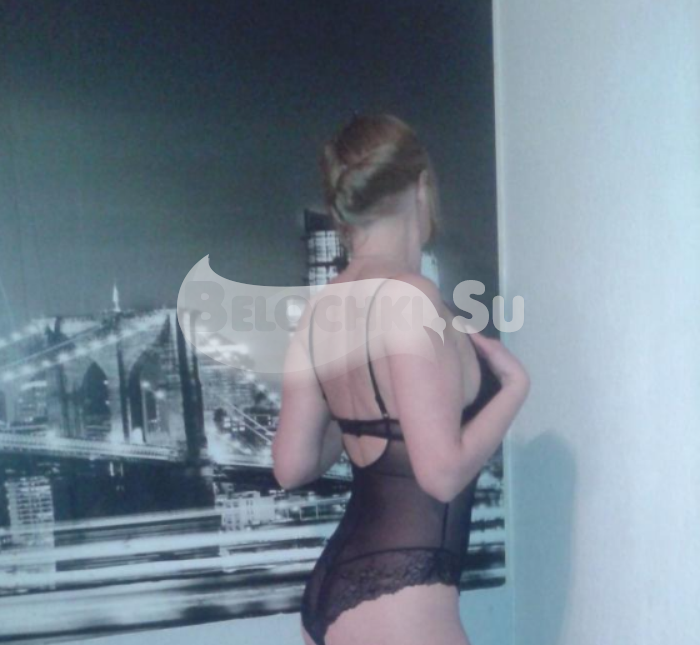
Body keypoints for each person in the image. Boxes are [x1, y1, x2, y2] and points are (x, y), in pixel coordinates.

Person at [272, 113, 530, 645]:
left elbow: (291, 466)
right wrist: (513, 389)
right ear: (422, 186)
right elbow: (441, 475)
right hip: (403, 603)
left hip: (332, 594)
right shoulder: (411, 298)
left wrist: (354, 420)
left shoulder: (320, 310)